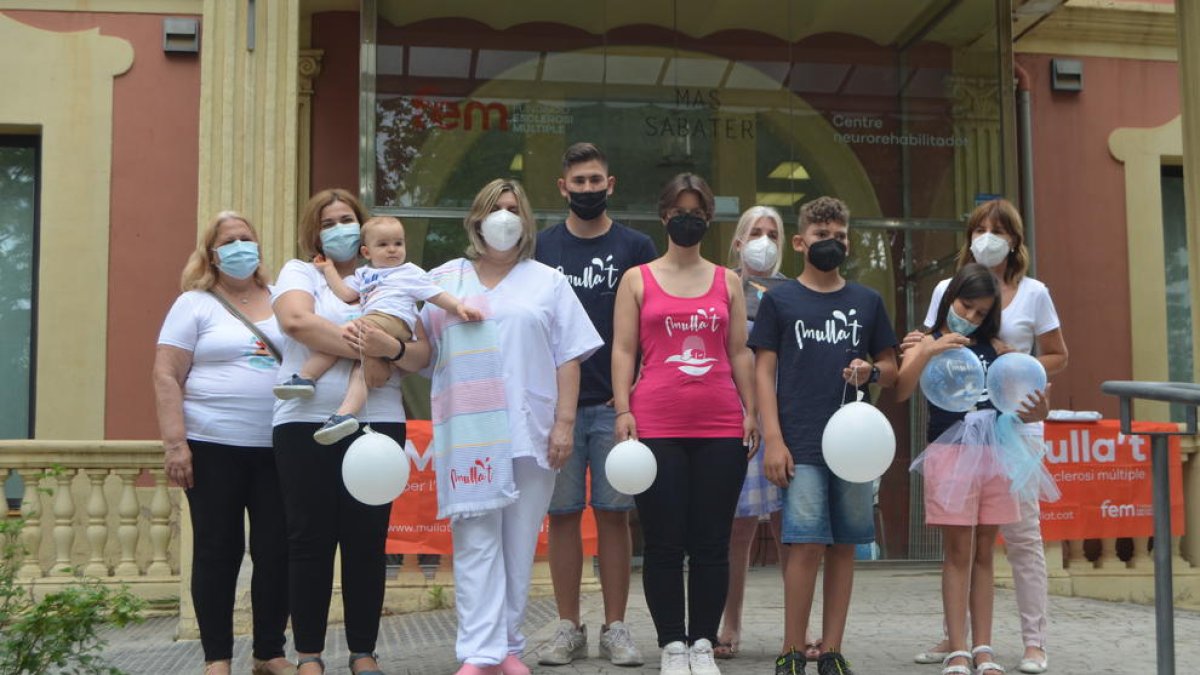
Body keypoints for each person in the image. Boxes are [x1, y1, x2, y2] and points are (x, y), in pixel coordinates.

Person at [416, 178, 602, 675]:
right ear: (476, 219)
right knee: (476, 541)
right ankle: (479, 654)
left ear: (526, 222)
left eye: (513, 208)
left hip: (530, 430)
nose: (504, 217)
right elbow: (420, 353)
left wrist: (564, 423)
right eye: (495, 208)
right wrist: (382, 343)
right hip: (471, 434)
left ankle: (509, 647)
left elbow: (569, 358)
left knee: (520, 543)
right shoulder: (444, 281)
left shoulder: (548, 281)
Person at [905, 199, 1067, 674]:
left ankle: (1034, 640)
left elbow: (1057, 355)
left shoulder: (1035, 292)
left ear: (1015, 240)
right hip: (958, 430)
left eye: (998, 229)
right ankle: (959, 638)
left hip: (1015, 426)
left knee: (1021, 536)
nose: (987, 236)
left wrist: (1015, 364)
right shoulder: (945, 289)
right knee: (960, 541)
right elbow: (929, 340)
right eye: (979, 228)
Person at [272, 189, 430, 675]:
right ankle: (310, 656)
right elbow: (298, 322)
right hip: (304, 423)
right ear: (313, 231)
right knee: (308, 541)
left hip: (376, 420)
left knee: (367, 541)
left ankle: (364, 652)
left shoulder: (396, 277)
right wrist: (373, 349)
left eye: (347, 219)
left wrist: (394, 350)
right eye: (329, 221)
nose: (339, 227)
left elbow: (422, 353)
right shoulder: (300, 271)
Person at [611, 173, 758, 675]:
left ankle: (702, 643)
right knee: (665, 540)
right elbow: (624, 350)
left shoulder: (728, 281)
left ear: (708, 218)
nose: (687, 218)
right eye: (679, 210)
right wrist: (623, 410)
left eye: (697, 210)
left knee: (713, 541)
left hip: (720, 426)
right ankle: (672, 644)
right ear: (664, 215)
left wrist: (751, 411)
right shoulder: (637, 278)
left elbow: (739, 351)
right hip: (655, 425)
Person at [750, 196, 899, 675]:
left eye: (838, 237)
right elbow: (762, 371)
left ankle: (831, 649)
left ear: (848, 241)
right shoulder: (780, 300)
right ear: (800, 242)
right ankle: (792, 649)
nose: (830, 244)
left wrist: (871, 369)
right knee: (806, 544)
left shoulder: (866, 301)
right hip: (801, 444)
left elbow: (893, 368)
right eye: (820, 236)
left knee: (844, 545)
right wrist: (773, 439)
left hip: (853, 450)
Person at [153, 211, 295, 675]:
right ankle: (217, 658)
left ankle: (269, 652)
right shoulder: (193, 304)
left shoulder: (282, 299)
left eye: (246, 238)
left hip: (278, 445)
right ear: (211, 254)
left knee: (276, 550)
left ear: (258, 246)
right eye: (228, 241)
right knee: (218, 549)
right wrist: (176, 444)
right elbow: (166, 374)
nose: (239, 247)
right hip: (211, 446)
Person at [535, 142, 656, 667]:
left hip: (615, 405)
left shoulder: (637, 246)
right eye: (577, 182)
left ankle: (616, 628)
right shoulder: (540, 248)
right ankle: (567, 628)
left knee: (614, 516)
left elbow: (652, 322)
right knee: (562, 517)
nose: (586, 189)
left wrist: (633, 390)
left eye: (595, 181)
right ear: (562, 188)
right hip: (553, 407)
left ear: (611, 185)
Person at [274, 215, 481, 445]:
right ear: (366, 252)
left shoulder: (409, 272)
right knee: (360, 365)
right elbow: (346, 293)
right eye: (383, 245)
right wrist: (329, 269)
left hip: (394, 321)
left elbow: (434, 294)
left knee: (342, 335)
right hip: (375, 321)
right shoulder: (365, 275)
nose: (392, 250)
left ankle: (306, 377)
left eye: (398, 243)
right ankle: (345, 414)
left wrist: (458, 307)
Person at [715, 205, 815, 661]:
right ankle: (728, 622)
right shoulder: (720, 286)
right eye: (755, 232)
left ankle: (797, 629)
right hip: (734, 416)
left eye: (773, 233)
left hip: (781, 420)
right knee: (735, 530)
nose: (764, 241)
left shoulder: (796, 292)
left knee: (786, 526)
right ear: (737, 241)